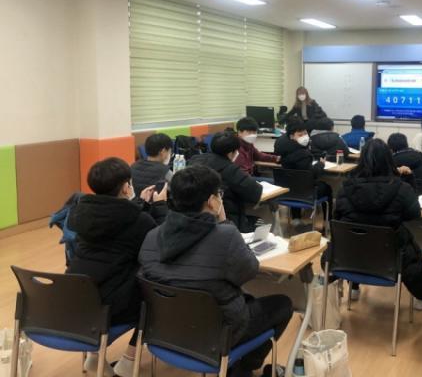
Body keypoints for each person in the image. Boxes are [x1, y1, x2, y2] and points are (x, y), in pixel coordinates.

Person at [138, 165, 292, 377]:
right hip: (219, 333)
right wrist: (225, 221)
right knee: (283, 304)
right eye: (219, 194)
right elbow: (250, 271)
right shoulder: (225, 236)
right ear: (212, 201)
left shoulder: (151, 236)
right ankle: (243, 369)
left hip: (165, 331)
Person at [67, 157, 168, 377]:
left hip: (76, 296)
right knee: (157, 300)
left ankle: (95, 357)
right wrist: (160, 206)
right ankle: (129, 361)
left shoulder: (82, 213)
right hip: (110, 304)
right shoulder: (138, 221)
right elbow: (162, 242)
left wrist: (140, 205)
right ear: (125, 187)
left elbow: (115, 219)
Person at [332, 139, 422, 308]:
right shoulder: (401, 188)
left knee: (355, 234)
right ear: (389, 160)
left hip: (352, 255)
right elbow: (414, 214)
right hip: (391, 256)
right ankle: (421, 298)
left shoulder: (345, 188)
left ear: (362, 160)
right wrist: (408, 180)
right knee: (410, 250)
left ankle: (353, 287)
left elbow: (337, 217)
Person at [188, 131, 263, 232]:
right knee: (260, 221)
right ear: (231, 153)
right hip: (226, 220)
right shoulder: (230, 169)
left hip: (195, 220)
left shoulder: (194, 160)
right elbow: (256, 193)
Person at [275, 118, 334, 223]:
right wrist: (321, 164)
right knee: (327, 187)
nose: (304, 136)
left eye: (305, 133)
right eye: (300, 134)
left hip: (288, 192)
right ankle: (328, 221)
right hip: (307, 194)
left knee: (294, 182)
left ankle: (296, 218)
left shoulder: (282, 150)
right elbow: (313, 174)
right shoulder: (303, 154)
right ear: (292, 136)